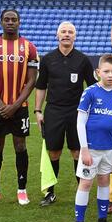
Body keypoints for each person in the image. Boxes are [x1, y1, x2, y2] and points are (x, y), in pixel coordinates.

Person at [0, 9, 39, 205]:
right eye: (7, 19)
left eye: (14, 19)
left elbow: (32, 80)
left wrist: (14, 105)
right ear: (1, 22)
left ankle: (22, 190)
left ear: (19, 22)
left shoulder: (29, 47)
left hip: (19, 107)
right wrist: (0, 103)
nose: (10, 22)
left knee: (20, 146)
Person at [35, 21, 96, 206]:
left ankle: (81, 191)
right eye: (63, 31)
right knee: (53, 151)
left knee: (77, 151)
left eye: (70, 32)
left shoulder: (83, 60)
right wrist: (38, 110)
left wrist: (94, 110)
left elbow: (92, 86)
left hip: (76, 112)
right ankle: (50, 192)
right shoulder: (47, 59)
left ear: (75, 36)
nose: (67, 34)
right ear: (57, 35)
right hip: (53, 110)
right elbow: (40, 86)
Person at [71, 54, 112, 222]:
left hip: (109, 149)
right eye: (106, 71)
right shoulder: (90, 92)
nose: (110, 75)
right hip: (91, 149)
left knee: (104, 182)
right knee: (86, 183)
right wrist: (84, 148)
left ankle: (102, 221)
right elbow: (80, 122)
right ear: (98, 72)